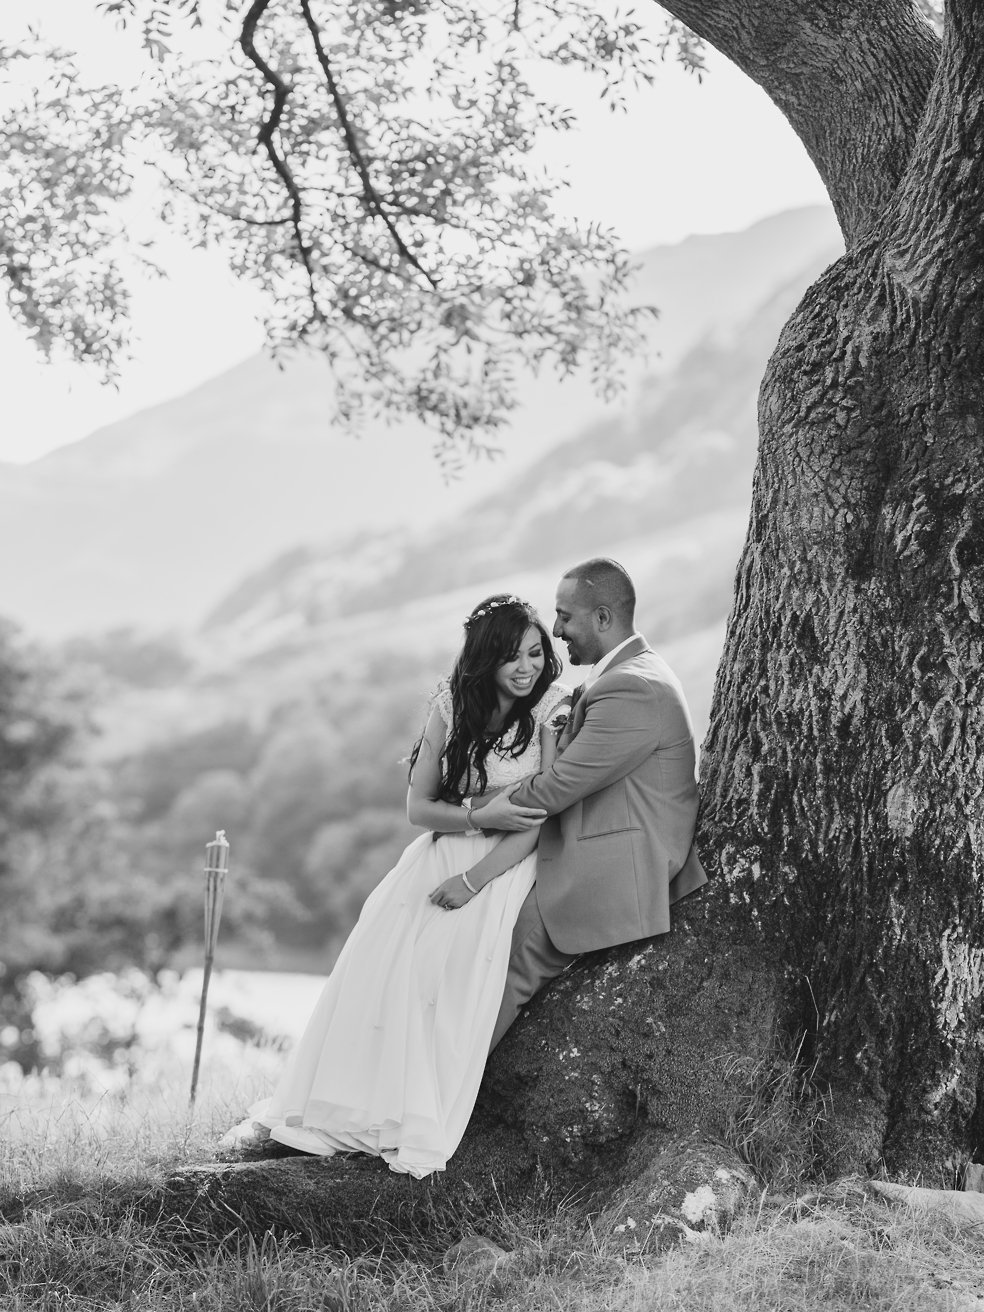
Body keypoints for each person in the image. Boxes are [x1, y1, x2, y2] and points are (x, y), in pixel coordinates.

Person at [221, 594, 569, 1178]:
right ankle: (355, 1104)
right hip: (440, 852)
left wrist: (474, 880)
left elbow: (544, 817)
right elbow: (418, 807)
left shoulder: (552, 711)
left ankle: (413, 1112)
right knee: (383, 963)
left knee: (443, 967)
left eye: (535, 653)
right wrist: (478, 817)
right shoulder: (451, 707)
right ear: (485, 660)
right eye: (512, 657)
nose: (527, 668)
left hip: (505, 865)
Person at [473, 558, 707, 1050]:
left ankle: (447, 1097)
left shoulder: (632, 688)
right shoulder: (626, 674)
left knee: (504, 961)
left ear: (603, 618)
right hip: (599, 838)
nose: (555, 631)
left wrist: (474, 807)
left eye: (564, 617)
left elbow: (557, 787)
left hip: (614, 865)